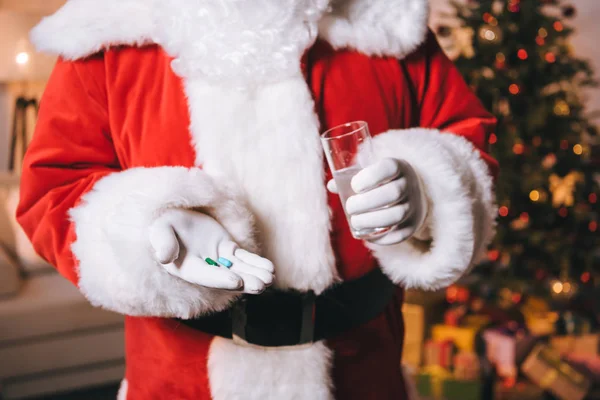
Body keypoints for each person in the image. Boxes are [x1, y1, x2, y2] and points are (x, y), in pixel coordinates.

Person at [17, 1, 498, 399]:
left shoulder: (382, 21)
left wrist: (428, 189)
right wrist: (144, 231)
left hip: (364, 373)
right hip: (180, 381)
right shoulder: (108, 32)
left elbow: (466, 138)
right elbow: (53, 191)